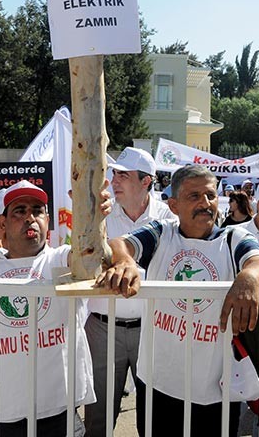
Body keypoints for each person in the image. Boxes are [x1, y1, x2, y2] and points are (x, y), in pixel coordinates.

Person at [97, 165, 259, 437]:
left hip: (215, 388)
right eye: (194, 196)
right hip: (159, 382)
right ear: (173, 205)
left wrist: (249, 277)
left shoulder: (233, 238)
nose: (205, 203)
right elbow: (119, 244)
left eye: (210, 195)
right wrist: (125, 261)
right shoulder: (161, 233)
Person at [0, 180, 104, 436]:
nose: (30, 218)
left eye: (37, 210)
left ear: (48, 221)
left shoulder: (62, 262)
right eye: (19, 211)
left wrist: (93, 217)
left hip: (58, 413)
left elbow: (93, 257)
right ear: (3, 224)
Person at [84, 147, 174, 437]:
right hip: (102, 328)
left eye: (123, 175)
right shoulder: (101, 215)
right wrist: (85, 217)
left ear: (146, 181)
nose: (114, 180)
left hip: (153, 329)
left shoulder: (168, 218)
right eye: (113, 173)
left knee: (155, 417)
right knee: (97, 420)